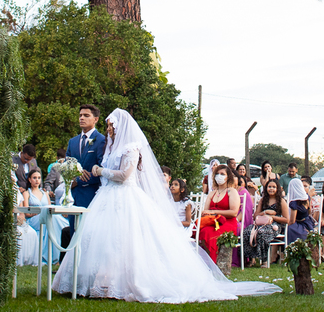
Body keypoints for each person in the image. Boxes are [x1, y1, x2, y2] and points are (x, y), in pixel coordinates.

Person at [51, 108, 278, 302]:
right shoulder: (109, 147)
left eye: (111, 126)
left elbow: (125, 175)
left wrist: (101, 171)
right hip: (106, 197)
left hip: (125, 197)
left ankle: (121, 283)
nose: (108, 129)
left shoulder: (131, 147)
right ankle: (98, 281)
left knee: (124, 241)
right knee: (102, 240)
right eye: (108, 126)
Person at [65, 104, 106, 214]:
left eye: (86, 115)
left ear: (95, 119)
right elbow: (66, 166)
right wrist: (72, 179)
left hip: (91, 195)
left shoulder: (101, 140)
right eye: (80, 115)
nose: (82, 118)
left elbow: (104, 169)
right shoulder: (72, 142)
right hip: (73, 196)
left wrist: (80, 180)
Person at [197, 164, 240, 260]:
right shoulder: (212, 193)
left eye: (222, 174)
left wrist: (214, 212)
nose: (219, 176)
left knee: (207, 232)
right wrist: (208, 213)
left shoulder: (232, 191)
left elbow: (234, 213)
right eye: (217, 174)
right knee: (201, 230)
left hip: (228, 222)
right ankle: (204, 260)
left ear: (228, 177)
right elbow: (206, 211)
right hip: (213, 221)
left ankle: (212, 260)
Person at [245, 177, 287, 266]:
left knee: (262, 233)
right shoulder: (263, 200)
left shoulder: (281, 201)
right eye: (269, 187)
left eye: (274, 187)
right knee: (247, 231)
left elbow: (287, 219)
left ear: (277, 189)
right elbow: (255, 216)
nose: (271, 189)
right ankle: (250, 259)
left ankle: (264, 260)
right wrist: (265, 212)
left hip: (274, 225)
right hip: (261, 223)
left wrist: (272, 217)